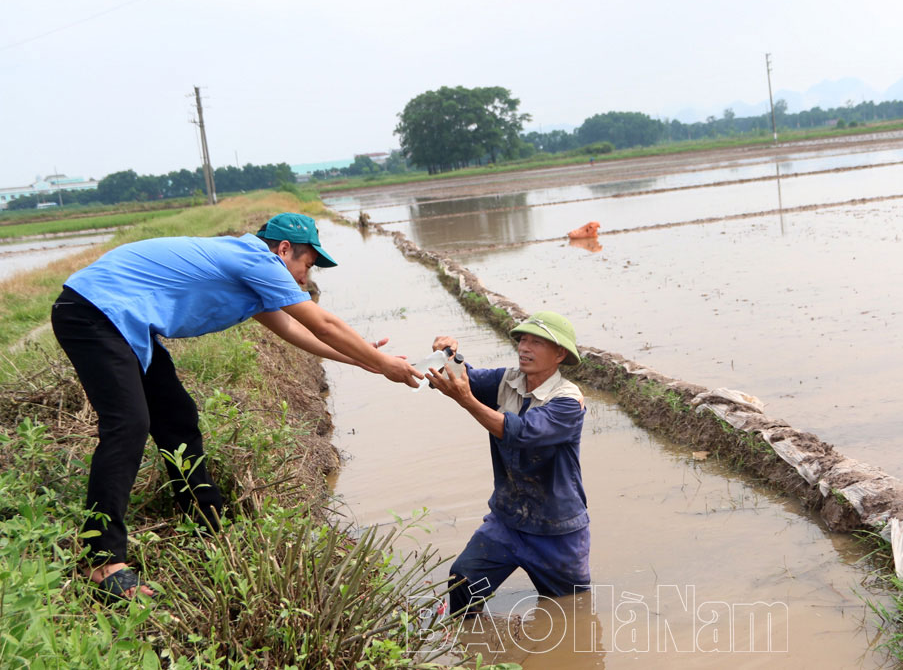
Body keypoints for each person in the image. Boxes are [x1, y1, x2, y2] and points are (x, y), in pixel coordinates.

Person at [51, 212, 425, 600]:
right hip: (92, 313)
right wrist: (381, 364)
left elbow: (294, 330)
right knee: (127, 425)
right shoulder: (257, 261)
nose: (305, 279)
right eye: (307, 266)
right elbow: (322, 324)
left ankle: (207, 522)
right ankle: (104, 562)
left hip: (123, 323)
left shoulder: (251, 274)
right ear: (283, 250)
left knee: (177, 419)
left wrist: (365, 360)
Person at [424, 312, 590, 615]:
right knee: (463, 581)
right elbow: (463, 378)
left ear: (559, 354)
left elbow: (521, 433)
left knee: (571, 608)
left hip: (556, 529)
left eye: (536, 342)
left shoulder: (568, 401)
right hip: (507, 520)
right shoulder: (507, 380)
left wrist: (467, 401)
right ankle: (470, 649)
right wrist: (447, 355)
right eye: (523, 340)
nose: (524, 347)